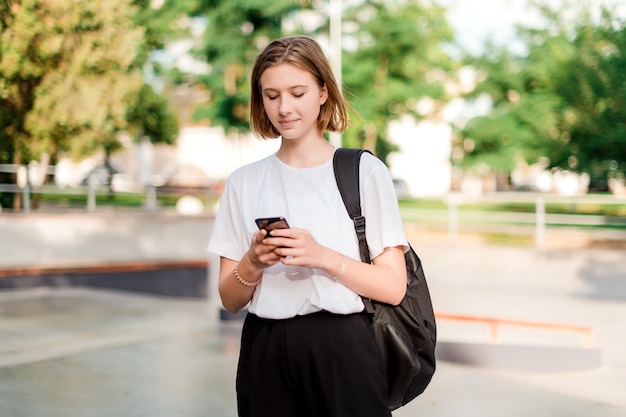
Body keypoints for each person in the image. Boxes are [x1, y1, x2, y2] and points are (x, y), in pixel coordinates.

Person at [208, 35, 408, 417]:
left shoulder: (364, 172)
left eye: (297, 92)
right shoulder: (244, 181)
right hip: (264, 349)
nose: (284, 108)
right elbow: (230, 299)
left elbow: (394, 287)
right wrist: (253, 261)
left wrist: (324, 257)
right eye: (271, 95)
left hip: (344, 346)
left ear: (322, 92)